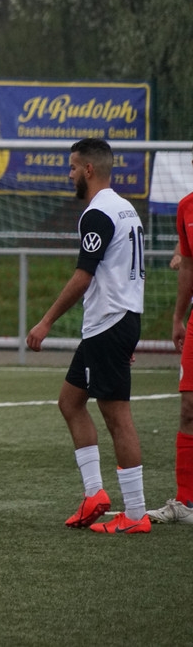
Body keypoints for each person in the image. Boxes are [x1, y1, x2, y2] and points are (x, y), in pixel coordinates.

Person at [26, 137, 149, 534]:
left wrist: (45, 322)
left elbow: (84, 276)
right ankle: (95, 493)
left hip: (109, 322)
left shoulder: (97, 213)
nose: (70, 174)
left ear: (89, 170)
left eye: (73, 168)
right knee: (70, 401)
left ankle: (135, 514)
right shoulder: (126, 208)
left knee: (117, 416)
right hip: (116, 321)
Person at [149, 158, 193, 524]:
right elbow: (188, 265)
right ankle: (185, 502)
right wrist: (178, 317)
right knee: (188, 407)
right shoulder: (186, 207)